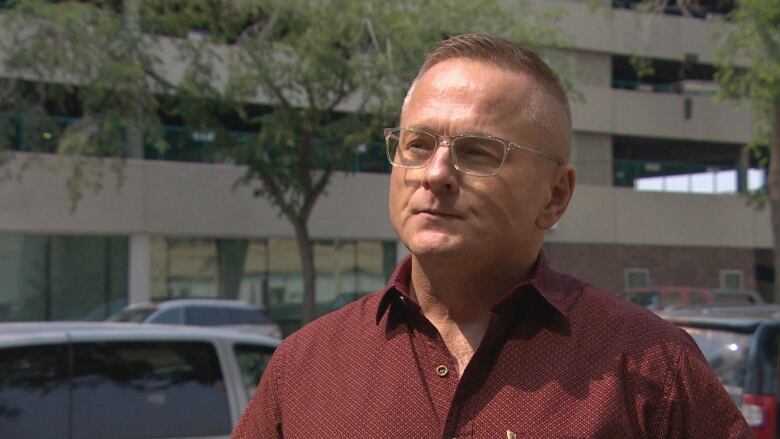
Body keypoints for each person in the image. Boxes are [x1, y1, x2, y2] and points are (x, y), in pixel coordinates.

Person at [232, 34, 752, 438]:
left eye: (477, 152)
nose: (435, 173)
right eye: (416, 145)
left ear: (555, 195)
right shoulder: (306, 366)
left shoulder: (652, 368)